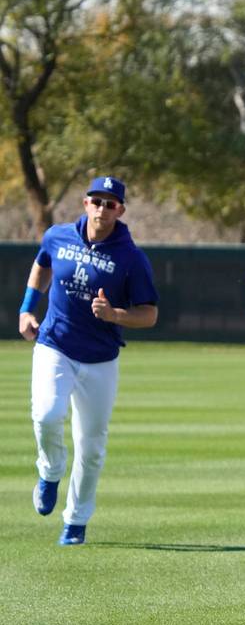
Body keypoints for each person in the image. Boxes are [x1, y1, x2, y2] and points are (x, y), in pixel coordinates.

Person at [22, 176, 159, 546]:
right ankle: (50, 471)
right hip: (55, 344)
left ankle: (76, 521)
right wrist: (26, 310)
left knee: (92, 446)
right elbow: (42, 265)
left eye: (110, 204)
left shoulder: (131, 257)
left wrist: (116, 315)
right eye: (96, 201)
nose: (102, 208)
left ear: (121, 211)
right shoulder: (58, 235)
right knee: (46, 414)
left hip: (99, 359)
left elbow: (149, 314)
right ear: (85, 204)